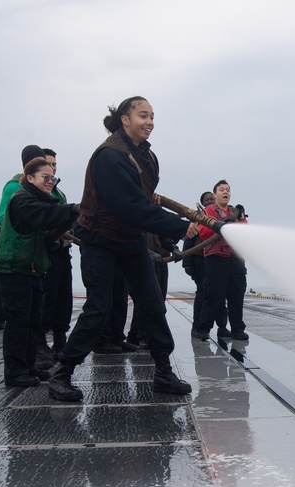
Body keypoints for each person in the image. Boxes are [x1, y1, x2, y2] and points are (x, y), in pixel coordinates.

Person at [48, 96, 200, 401]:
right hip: (100, 242)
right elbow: (131, 206)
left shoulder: (147, 156)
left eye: (153, 116)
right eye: (143, 115)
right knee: (98, 309)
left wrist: (162, 223)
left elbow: (143, 198)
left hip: (131, 242)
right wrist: (179, 226)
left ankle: (162, 373)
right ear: (125, 119)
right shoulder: (109, 156)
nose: (149, 122)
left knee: (153, 305)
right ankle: (62, 372)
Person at [0, 157, 78, 387]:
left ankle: (28, 365)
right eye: (45, 177)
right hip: (13, 270)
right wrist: (77, 209)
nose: (50, 182)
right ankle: (14, 372)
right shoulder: (22, 200)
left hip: (33, 270)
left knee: (33, 321)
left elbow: (45, 235)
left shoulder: (39, 201)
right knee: (18, 321)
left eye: (53, 178)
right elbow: (47, 216)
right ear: (29, 178)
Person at [194, 180, 248, 341]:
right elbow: (204, 233)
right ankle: (203, 329)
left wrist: (242, 219)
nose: (226, 192)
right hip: (217, 259)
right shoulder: (208, 212)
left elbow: (245, 234)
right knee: (213, 296)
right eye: (222, 189)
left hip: (236, 261)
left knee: (236, 297)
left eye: (228, 190)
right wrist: (222, 224)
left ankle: (238, 329)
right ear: (215, 194)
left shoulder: (235, 212)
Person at [40, 148, 75, 354]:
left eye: (54, 165)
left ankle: (60, 339)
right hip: (46, 251)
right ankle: (42, 342)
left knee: (64, 295)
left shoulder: (58, 193)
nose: (52, 169)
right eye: (48, 164)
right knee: (48, 296)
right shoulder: (37, 192)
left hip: (63, 250)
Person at [182, 191, 227, 337]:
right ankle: (197, 327)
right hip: (199, 260)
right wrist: (186, 263)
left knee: (219, 294)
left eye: (211, 199)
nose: (209, 201)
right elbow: (189, 240)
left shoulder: (221, 217)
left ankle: (222, 327)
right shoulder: (197, 218)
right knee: (203, 292)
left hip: (216, 260)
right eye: (206, 200)